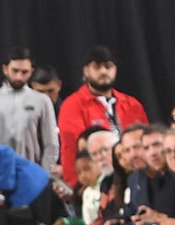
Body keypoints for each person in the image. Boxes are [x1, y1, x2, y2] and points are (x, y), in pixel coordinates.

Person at [57, 45, 148, 185]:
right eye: (97, 67)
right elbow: (78, 149)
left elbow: (145, 143)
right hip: (92, 184)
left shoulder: (132, 104)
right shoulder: (72, 106)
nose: (103, 71)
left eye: (108, 66)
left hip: (134, 179)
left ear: (115, 69)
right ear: (86, 71)